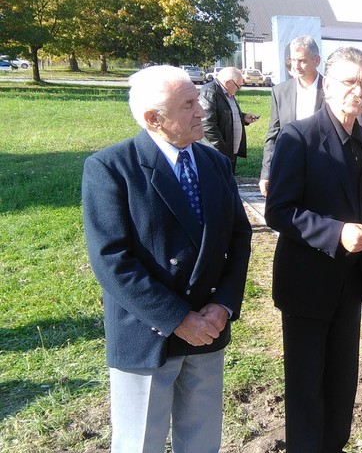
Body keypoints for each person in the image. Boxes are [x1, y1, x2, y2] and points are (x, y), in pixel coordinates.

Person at [81, 65, 252, 452]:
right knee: (140, 442)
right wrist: (178, 319)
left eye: (197, 101)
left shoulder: (215, 164)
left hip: (208, 328)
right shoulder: (112, 168)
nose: (201, 111)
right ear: (153, 119)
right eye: (188, 104)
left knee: (202, 441)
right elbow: (112, 260)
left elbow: (238, 238)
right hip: (148, 334)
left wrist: (223, 306)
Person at [263, 47, 362, 452]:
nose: (359, 92)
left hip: (350, 282)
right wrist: (337, 232)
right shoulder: (299, 137)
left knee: (342, 379)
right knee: (306, 385)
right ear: (327, 85)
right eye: (349, 82)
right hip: (307, 283)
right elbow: (279, 211)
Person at [259, 35, 324, 196]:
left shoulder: (331, 89)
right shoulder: (280, 91)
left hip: (324, 169)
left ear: (316, 60)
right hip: (289, 169)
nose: (296, 66)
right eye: (293, 60)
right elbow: (274, 134)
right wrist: (266, 173)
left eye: (302, 61)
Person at [197, 67, 260, 172]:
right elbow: (207, 124)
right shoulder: (210, 91)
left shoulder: (227, 92)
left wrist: (243, 117)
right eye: (238, 86)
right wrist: (222, 149)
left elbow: (225, 112)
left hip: (228, 152)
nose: (238, 89)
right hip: (217, 152)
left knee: (228, 180)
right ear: (228, 83)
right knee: (219, 181)